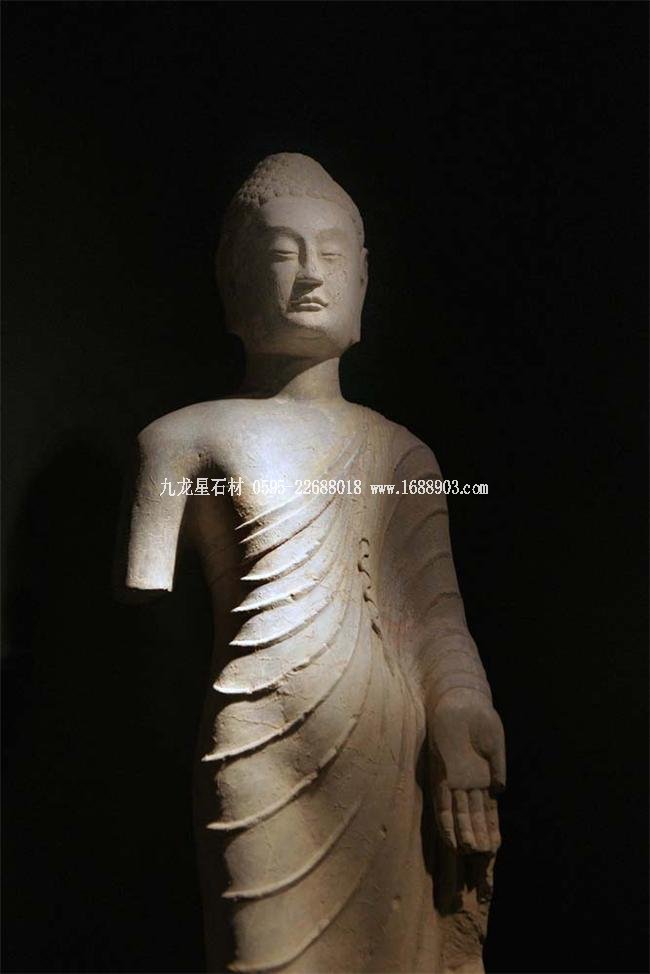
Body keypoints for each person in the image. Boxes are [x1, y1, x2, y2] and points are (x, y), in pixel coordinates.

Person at [123, 153, 505, 973]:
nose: (309, 276)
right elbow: (143, 581)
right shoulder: (180, 440)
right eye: (281, 253)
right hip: (258, 745)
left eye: (331, 254)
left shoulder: (402, 452)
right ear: (233, 279)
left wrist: (461, 711)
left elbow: (436, 617)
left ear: (362, 278)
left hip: (392, 749)